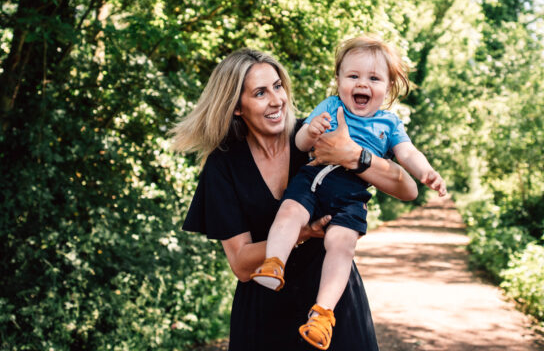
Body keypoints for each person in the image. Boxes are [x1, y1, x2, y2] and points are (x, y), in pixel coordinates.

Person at [170, 48, 418, 351]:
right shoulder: (224, 167)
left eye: (278, 86)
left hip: (331, 311)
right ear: (237, 107)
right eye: (260, 93)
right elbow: (241, 264)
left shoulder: (315, 133)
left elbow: (407, 189)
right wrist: (305, 232)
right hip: (264, 318)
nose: (276, 100)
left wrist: (355, 156)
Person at [250, 36, 446, 350]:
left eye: (373, 78)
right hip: (312, 181)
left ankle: (323, 314)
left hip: (351, 196)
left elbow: (408, 155)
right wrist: (311, 131)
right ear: (339, 81)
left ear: (388, 87)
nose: (362, 84)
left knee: (341, 246)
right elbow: (299, 144)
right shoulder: (331, 106)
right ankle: (274, 262)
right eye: (353, 76)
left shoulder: (389, 124)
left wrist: (427, 173)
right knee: (289, 212)